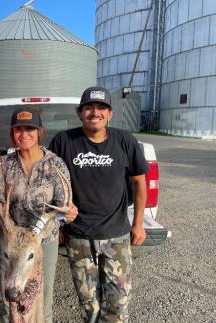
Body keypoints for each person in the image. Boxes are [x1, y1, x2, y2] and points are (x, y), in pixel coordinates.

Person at [48, 86, 148, 323]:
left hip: (117, 236)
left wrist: (139, 224)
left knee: (118, 303)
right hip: (79, 237)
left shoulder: (124, 141)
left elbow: (139, 184)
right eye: (89, 107)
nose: (95, 112)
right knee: (89, 304)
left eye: (101, 107)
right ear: (79, 112)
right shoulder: (64, 141)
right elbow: (50, 185)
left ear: (110, 113)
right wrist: (59, 225)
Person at [0, 107, 78, 323]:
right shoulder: (5, 164)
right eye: (18, 130)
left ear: (40, 132)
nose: (24, 135)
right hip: (10, 240)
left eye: (30, 129)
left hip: (41, 240)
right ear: (12, 134)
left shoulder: (55, 165)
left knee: (41, 296)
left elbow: (63, 204)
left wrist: (68, 212)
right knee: (10, 293)